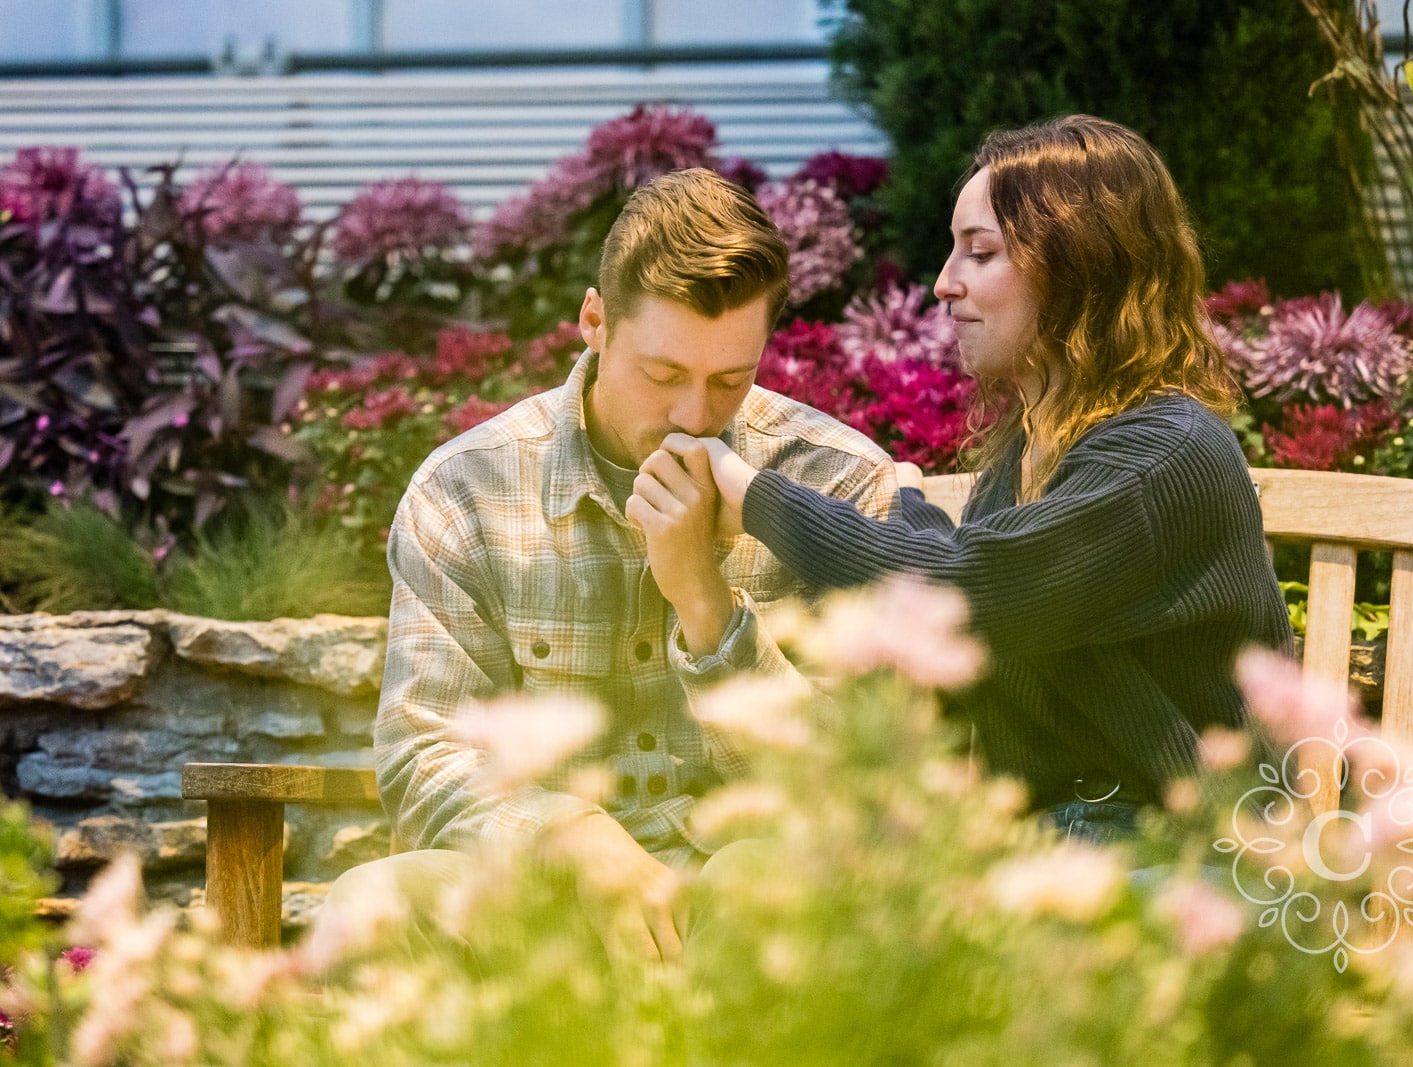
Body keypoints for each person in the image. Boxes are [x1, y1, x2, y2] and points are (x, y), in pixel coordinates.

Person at [317, 168, 900, 963]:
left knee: (767, 886)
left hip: (747, 899)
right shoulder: (467, 490)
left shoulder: (837, 481)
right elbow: (427, 759)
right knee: (370, 907)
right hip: (544, 895)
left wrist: (708, 607)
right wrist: (569, 835)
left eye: (730, 379)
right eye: (663, 376)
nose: (694, 415)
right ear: (594, 321)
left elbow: (855, 784)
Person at [665, 115, 1293, 844]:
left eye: (980, 252)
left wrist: (750, 494)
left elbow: (967, 592)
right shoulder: (1038, 446)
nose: (942, 284)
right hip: (1064, 837)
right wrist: (913, 513)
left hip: (1188, 852)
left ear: (1080, 263)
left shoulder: (1160, 458)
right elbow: (1001, 599)